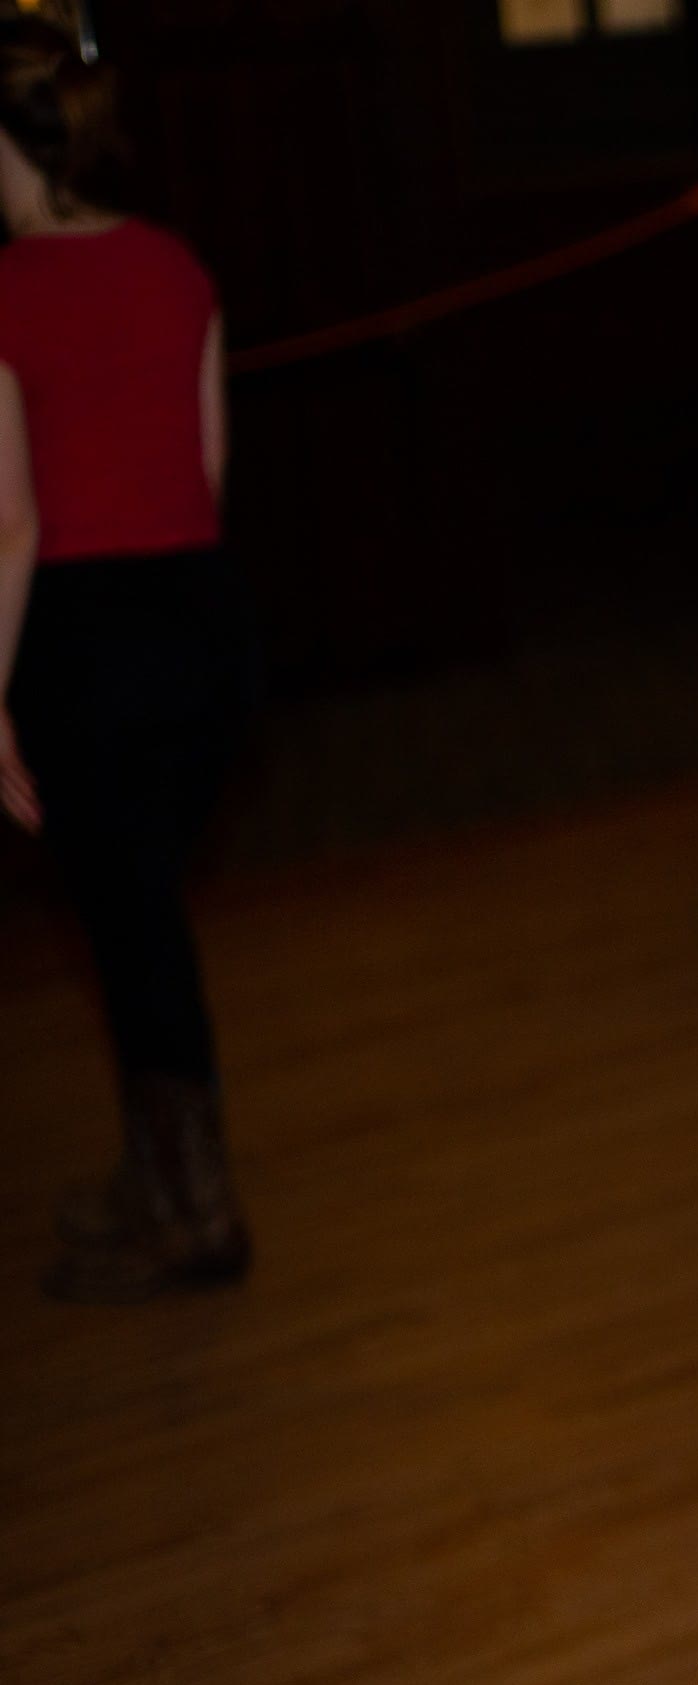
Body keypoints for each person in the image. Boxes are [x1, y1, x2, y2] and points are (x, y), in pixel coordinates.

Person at [0, 12, 256, 1304]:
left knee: (130, 925)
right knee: (142, 917)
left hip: (81, 636)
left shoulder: (7, 291)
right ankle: (156, 1180)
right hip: (202, 627)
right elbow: (207, 468)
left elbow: (12, 523)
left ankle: (196, 1209)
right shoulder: (176, 264)